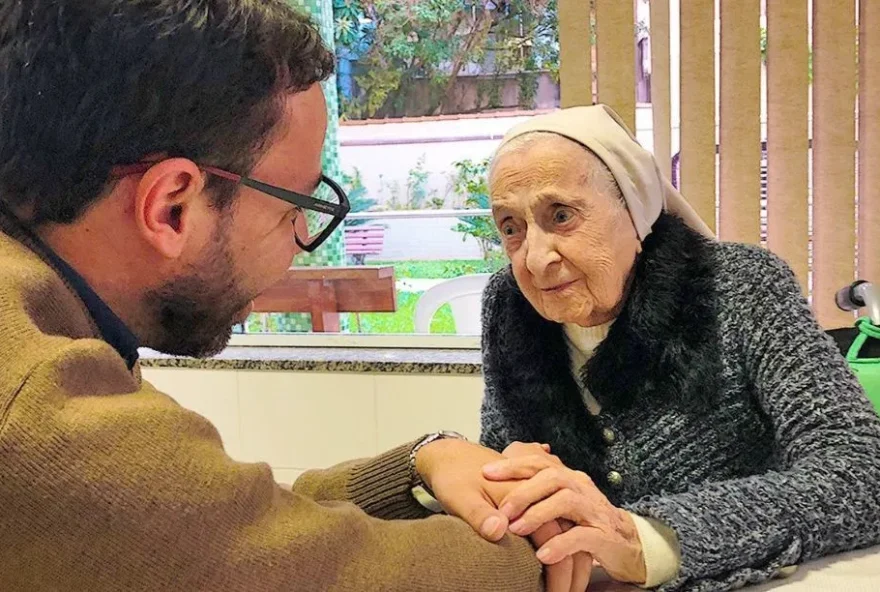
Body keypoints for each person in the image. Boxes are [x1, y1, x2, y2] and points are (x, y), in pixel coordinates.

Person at [0, 2, 581, 590]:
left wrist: (421, 464)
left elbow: (219, 522)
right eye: (293, 211)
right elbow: (275, 567)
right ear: (171, 206)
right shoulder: (39, 398)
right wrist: (556, 544)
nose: (299, 247)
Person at [477, 104, 880, 591]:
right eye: (511, 228)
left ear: (637, 210)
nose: (535, 259)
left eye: (561, 216)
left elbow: (861, 471)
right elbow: (499, 453)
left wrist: (652, 538)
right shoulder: (507, 306)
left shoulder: (741, 287)